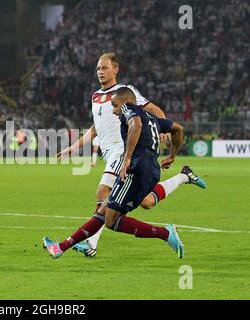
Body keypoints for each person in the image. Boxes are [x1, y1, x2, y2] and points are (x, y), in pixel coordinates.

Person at [58, 52, 204, 257]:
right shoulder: (96, 96)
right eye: (98, 68)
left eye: (105, 67)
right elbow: (96, 127)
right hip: (109, 154)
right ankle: (183, 177)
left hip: (123, 151)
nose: (100, 71)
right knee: (146, 202)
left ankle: (90, 244)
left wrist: (160, 130)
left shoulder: (125, 93)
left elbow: (153, 109)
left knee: (103, 192)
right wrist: (74, 147)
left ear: (115, 69)